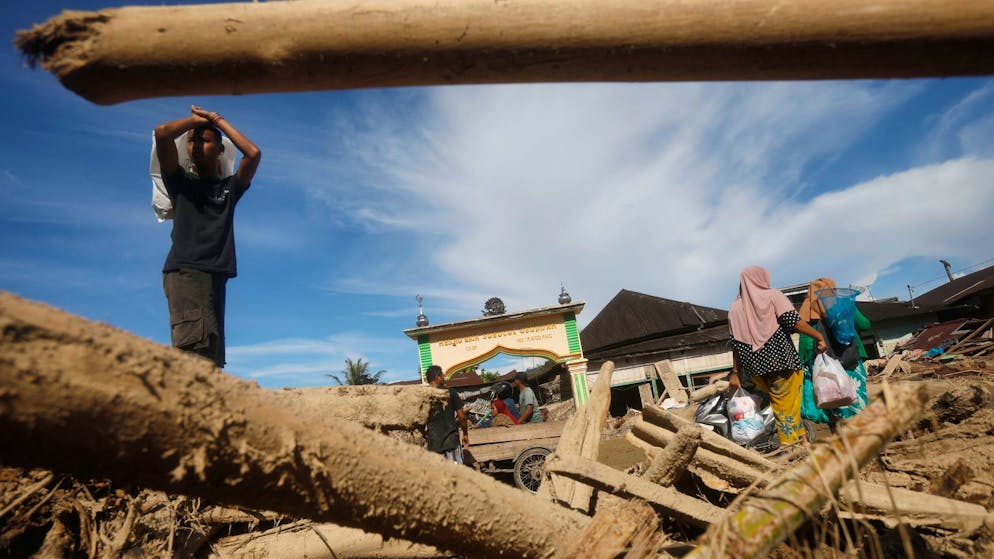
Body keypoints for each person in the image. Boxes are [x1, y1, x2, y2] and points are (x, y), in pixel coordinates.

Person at [154, 106, 261, 368]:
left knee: (211, 356)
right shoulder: (180, 183)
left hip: (214, 275)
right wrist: (196, 120)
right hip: (187, 272)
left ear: (221, 150)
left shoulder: (228, 189)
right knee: (193, 353)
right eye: (192, 140)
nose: (197, 145)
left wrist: (217, 121)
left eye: (205, 139)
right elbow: (162, 133)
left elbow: (253, 153)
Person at [727, 266, 828, 447]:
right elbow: (793, 322)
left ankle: (803, 441)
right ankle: (789, 449)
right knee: (784, 408)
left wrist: (736, 372)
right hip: (781, 363)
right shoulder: (773, 295)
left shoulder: (734, 309)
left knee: (787, 405)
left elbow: (735, 344)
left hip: (756, 370)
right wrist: (818, 336)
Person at [797, 277, 872, 429]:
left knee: (831, 401)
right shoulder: (843, 304)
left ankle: (840, 441)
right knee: (855, 402)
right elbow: (865, 325)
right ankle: (862, 439)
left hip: (823, 366)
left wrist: (806, 364)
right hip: (849, 360)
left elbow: (804, 347)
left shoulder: (806, 310)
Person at [425, 365, 470, 463]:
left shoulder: (424, 396)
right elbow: (462, 417)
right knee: (457, 475)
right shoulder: (451, 392)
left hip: (433, 446)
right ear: (438, 376)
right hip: (451, 443)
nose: (444, 378)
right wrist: (465, 434)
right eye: (442, 375)